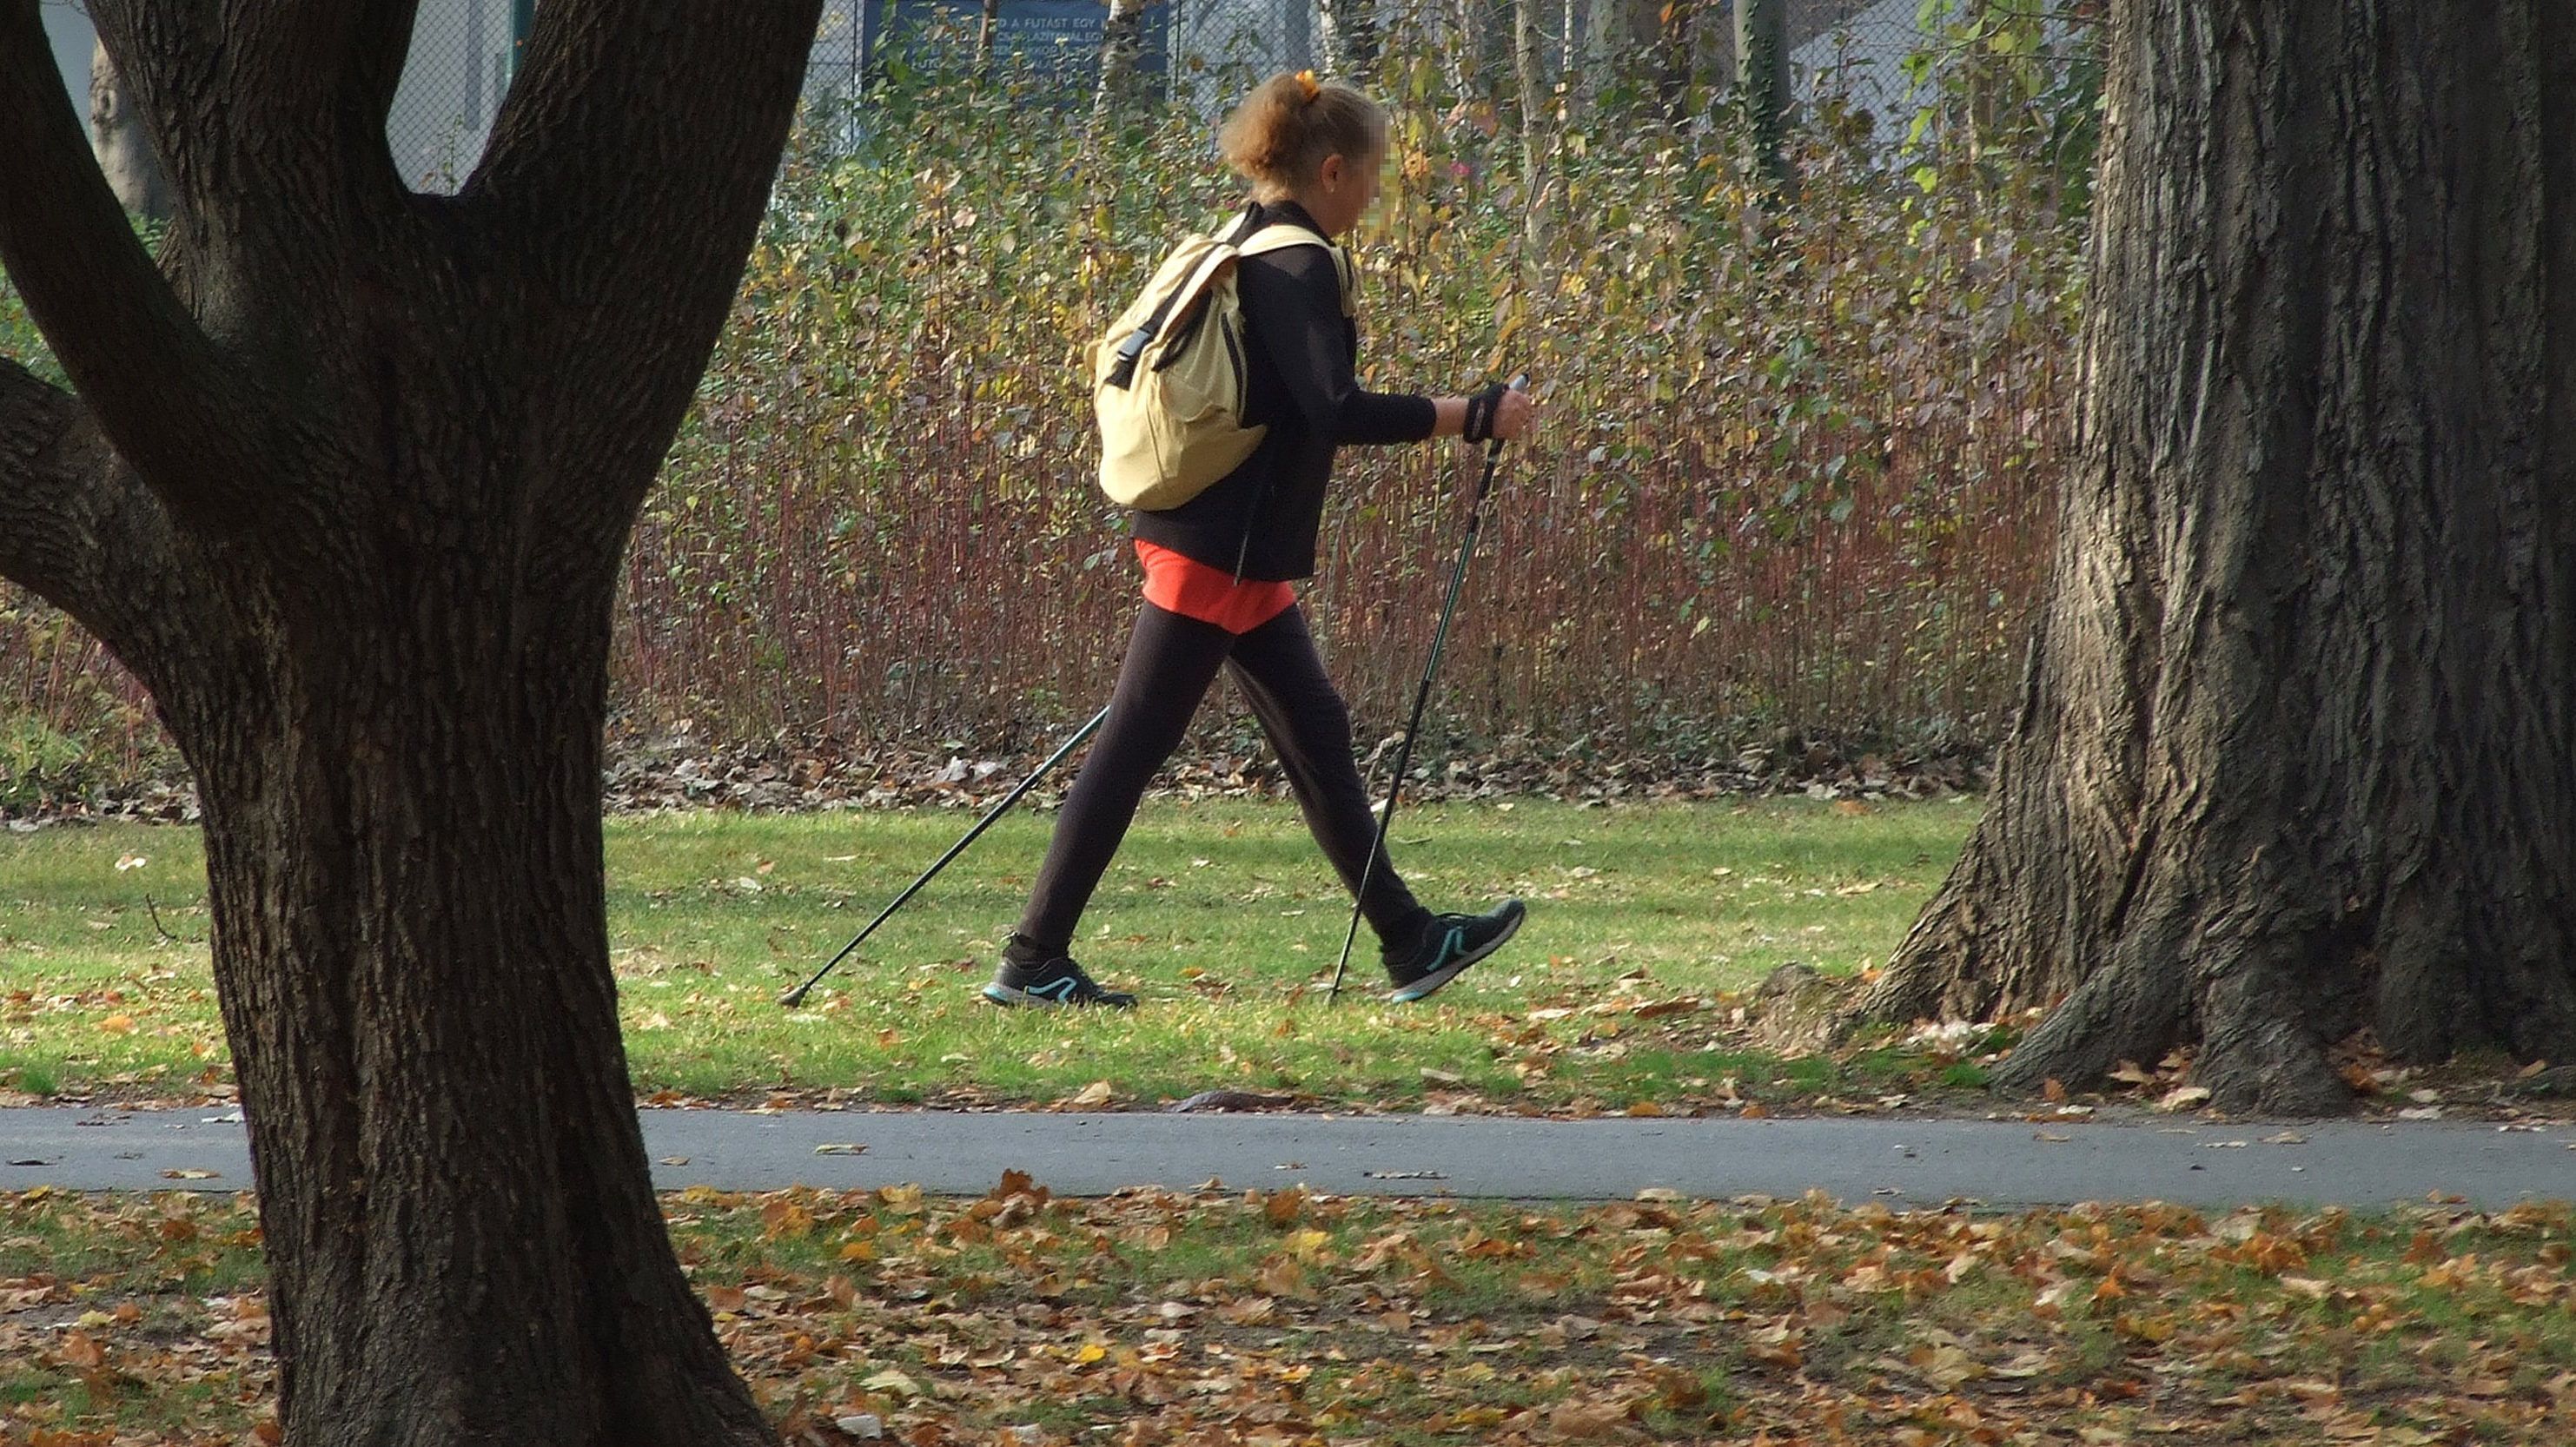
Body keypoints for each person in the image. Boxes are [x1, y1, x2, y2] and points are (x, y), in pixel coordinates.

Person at [983, 69, 1538, 1010]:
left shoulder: (1241, 238)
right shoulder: (1299, 261)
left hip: (1226, 537)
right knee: (1130, 747)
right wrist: (1470, 413)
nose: (1374, 195)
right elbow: (1332, 410)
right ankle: (1031, 958)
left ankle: (1410, 942)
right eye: (1371, 177)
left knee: (1315, 735)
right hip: (1222, 546)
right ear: (1329, 170)